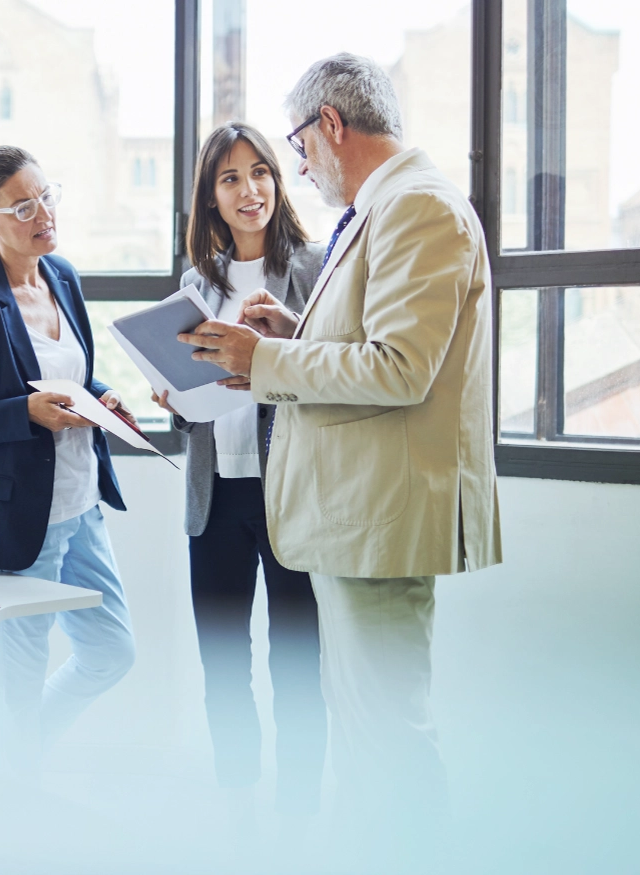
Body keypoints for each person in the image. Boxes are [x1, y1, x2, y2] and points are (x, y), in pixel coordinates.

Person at [179, 53, 503, 867]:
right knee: (365, 735)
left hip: (380, 517)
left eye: (297, 147)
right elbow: (370, 347)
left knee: (388, 731)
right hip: (354, 518)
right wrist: (291, 339)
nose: (298, 169)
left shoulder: (417, 207)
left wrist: (265, 362)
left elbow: (398, 368)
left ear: (331, 124)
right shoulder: (380, 210)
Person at [0, 146, 136, 779]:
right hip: (18, 523)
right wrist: (24, 413)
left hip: (82, 503)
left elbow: (73, 376)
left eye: (46, 196)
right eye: (23, 206)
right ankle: (11, 800)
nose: (43, 214)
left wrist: (102, 397)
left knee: (111, 652)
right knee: (18, 681)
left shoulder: (61, 275)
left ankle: (19, 755)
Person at [150, 122, 326, 830]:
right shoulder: (196, 285)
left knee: (298, 660)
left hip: (291, 492)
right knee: (223, 657)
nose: (248, 189)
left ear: (278, 184)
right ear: (211, 198)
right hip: (214, 493)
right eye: (229, 179)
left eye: (260, 172)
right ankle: (236, 798)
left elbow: (331, 372)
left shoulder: (314, 269)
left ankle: (299, 805)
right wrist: (173, 398)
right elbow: (195, 390)